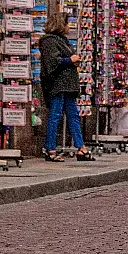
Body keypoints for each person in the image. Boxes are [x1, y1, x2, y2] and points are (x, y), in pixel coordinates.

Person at [38, 13, 96, 163]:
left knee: (73, 116)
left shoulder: (62, 40)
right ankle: (50, 149)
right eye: (67, 23)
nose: (69, 27)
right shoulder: (49, 41)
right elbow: (52, 62)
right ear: (60, 25)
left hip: (68, 85)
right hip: (57, 85)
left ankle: (81, 148)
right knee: (55, 116)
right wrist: (70, 60)